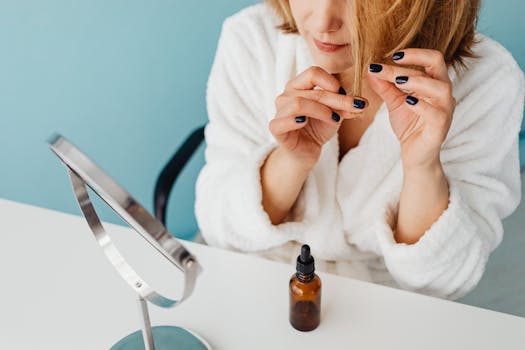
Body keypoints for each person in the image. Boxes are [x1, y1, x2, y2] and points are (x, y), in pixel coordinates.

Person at [194, 0, 525, 300]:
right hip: (257, 277)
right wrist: (291, 160)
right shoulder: (251, 39)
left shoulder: (488, 82)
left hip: (389, 303)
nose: (323, 21)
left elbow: (444, 281)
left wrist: (422, 165)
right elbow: (219, 226)